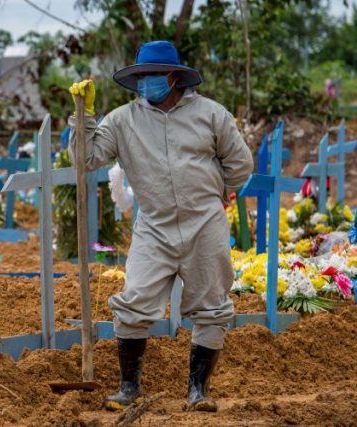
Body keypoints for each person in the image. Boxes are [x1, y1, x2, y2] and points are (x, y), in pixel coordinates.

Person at [68, 40, 254, 412]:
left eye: (152, 76)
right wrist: (83, 116)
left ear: (173, 77)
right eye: (140, 77)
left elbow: (240, 164)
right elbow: (85, 159)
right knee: (134, 300)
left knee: (211, 305)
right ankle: (128, 387)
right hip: (153, 224)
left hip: (205, 222)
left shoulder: (211, 114)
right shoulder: (122, 120)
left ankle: (198, 390)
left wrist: (216, 194)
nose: (146, 83)